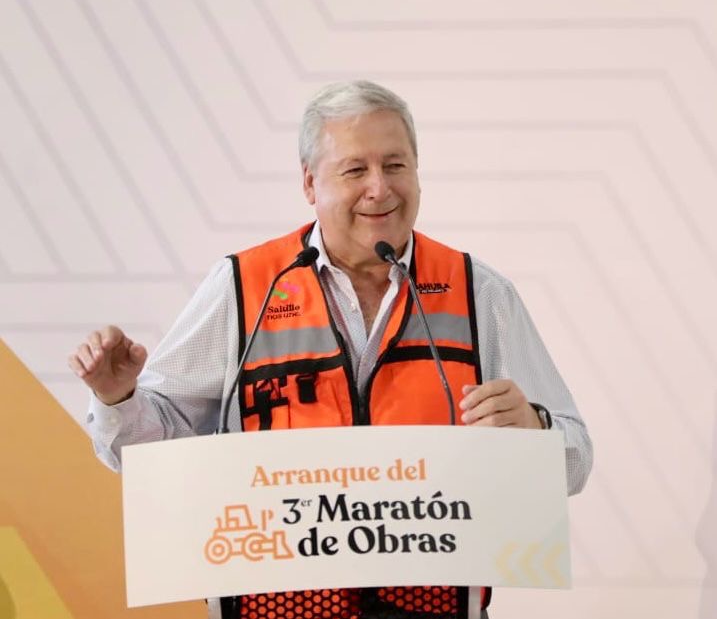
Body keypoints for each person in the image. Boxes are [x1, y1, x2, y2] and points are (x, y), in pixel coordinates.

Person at [69, 80, 592, 619]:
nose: (379, 189)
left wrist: (535, 430)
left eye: (395, 165)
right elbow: (152, 457)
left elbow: (575, 459)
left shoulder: (481, 292)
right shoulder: (246, 287)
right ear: (309, 183)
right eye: (355, 170)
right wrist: (118, 398)